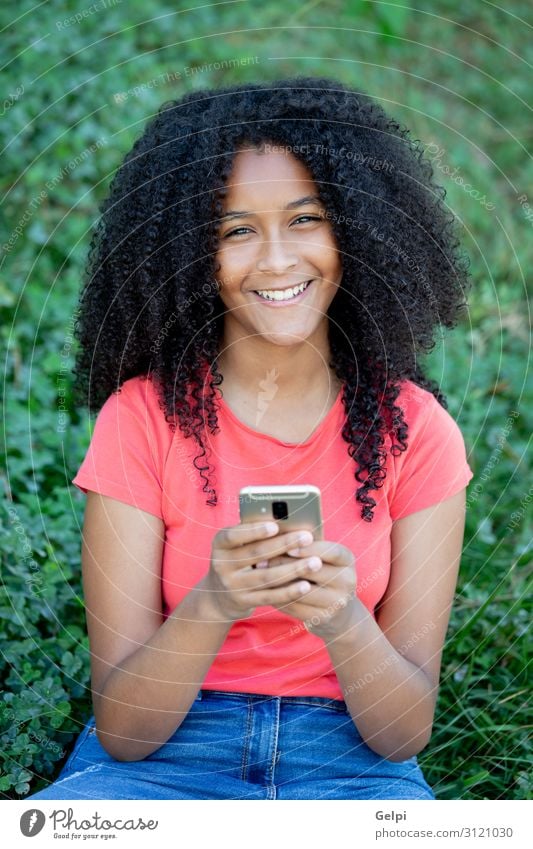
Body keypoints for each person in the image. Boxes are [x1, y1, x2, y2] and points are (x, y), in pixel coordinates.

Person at [29, 76, 473, 800]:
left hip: (350, 761)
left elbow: (402, 732)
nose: (274, 259)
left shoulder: (417, 431)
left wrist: (342, 620)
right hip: (166, 755)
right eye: (235, 230)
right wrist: (213, 602)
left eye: (305, 219)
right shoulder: (139, 420)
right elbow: (125, 730)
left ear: (357, 230)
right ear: (187, 254)